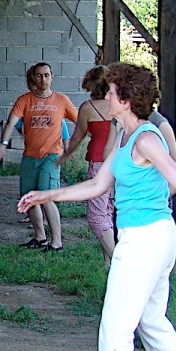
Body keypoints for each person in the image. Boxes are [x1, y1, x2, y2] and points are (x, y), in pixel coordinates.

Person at [18, 62, 176, 351]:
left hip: (145, 240)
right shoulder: (127, 138)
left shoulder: (145, 138)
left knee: (117, 321)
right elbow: (97, 186)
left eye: (111, 92)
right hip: (151, 238)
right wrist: (44, 195)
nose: (105, 96)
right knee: (151, 318)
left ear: (125, 100)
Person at [0, 62, 77, 251]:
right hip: (30, 156)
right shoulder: (25, 100)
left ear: (52, 77)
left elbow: (80, 121)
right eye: (39, 76)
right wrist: (3, 146)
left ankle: (57, 243)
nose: (43, 79)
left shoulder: (61, 100)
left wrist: (72, 145)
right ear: (34, 78)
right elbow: (11, 122)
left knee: (46, 197)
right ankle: (40, 237)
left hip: (52, 155)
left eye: (46, 75)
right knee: (28, 198)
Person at [62, 65, 116, 262]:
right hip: (119, 163)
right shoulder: (120, 104)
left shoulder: (88, 107)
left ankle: (119, 260)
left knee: (96, 215)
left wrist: (65, 156)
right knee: (108, 210)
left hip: (99, 162)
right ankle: (107, 262)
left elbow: (77, 137)